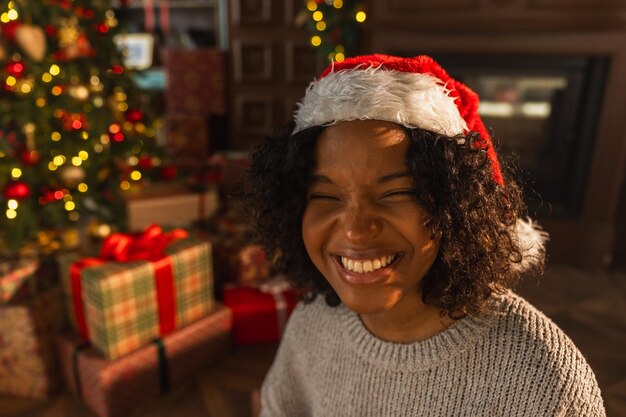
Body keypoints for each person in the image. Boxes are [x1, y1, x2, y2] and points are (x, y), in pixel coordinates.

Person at [239, 54, 606, 416]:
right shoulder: (311, 324)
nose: (354, 228)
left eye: (396, 193)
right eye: (324, 195)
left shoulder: (543, 381)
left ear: (456, 205)